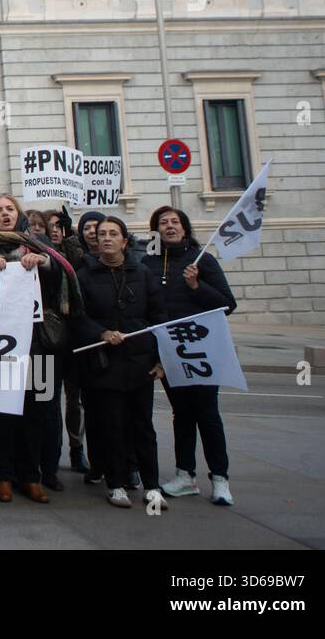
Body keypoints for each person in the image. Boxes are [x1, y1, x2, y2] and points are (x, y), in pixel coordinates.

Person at [0, 192, 60, 505]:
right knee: (3, 411)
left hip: (38, 343)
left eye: (9, 209)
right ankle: (2, 476)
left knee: (37, 412)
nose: (4, 214)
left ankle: (30, 476)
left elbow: (61, 274)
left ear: (17, 213)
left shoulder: (37, 243)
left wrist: (43, 261)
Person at [145, 206, 238, 506]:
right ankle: (186, 474)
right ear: (156, 231)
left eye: (175, 222)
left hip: (202, 351)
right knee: (182, 415)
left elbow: (227, 304)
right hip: (171, 353)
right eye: (163, 223)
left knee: (208, 415)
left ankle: (220, 479)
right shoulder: (149, 263)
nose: (169, 226)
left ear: (185, 228)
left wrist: (196, 286)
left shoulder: (202, 261)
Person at [74, 215, 168, 510]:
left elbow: (159, 319)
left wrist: (162, 360)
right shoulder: (84, 275)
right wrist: (100, 332)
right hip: (105, 364)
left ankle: (152, 486)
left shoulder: (143, 274)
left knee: (143, 427)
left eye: (113, 233)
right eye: (102, 234)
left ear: (124, 241)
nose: (106, 238)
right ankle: (115, 484)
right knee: (111, 426)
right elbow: (77, 317)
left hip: (139, 364)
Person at [47, 206, 89, 475]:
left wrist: (70, 235)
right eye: (49, 225)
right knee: (44, 400)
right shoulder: (35, 253)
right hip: (44, 341)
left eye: (58, 225)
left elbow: (81, 265)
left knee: (75, 400)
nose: (54, 230)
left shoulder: (72, 254)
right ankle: (47, 458)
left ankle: (77, 449)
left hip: (73, 340)